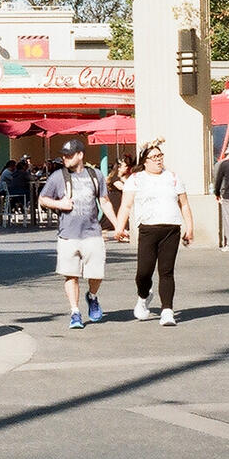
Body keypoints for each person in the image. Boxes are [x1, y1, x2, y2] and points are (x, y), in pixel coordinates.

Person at [36, 138, 120, 330]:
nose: (65, 158)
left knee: (97, 273)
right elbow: (43, 198)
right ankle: (75, 312)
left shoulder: (95, 175)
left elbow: (104, 201)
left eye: (69, 155)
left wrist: (118, 226)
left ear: (80, 155)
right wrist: (60, 204)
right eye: (64, 155)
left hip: (93, 233)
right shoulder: (58, 176)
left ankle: (92, 296)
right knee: (70, 275)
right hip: (68, 235)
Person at [112, 138, 194, 327]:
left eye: (160, 156)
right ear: (145, 161)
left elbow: (184, 204)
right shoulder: (136, 179)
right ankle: (143, 296)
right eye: (154, 157)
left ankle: (167, 311)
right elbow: (126, 205)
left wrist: (189, 228)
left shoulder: (172, 177)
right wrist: (119, 227)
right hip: (148, 229)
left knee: (166, 271)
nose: (158, 160)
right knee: (144, 272)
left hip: (171, 228)